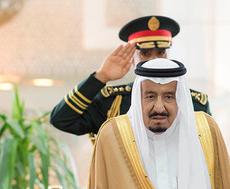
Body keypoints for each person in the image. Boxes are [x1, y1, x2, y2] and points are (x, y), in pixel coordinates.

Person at [78, 58, 230, 189]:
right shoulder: (113, 137)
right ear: (138, 97)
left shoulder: (206, 131)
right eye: (150, 96)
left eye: (168, 97)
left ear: (180, 98)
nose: (159, 107)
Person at [50, 16, 211, 141]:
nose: (153, 60)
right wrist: (101, 77)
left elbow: (207, 149)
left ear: (168, 56)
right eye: (145, 54)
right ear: (133, 60)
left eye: (160, 53)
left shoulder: (194, 103)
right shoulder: (112, 102)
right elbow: (61, 119)